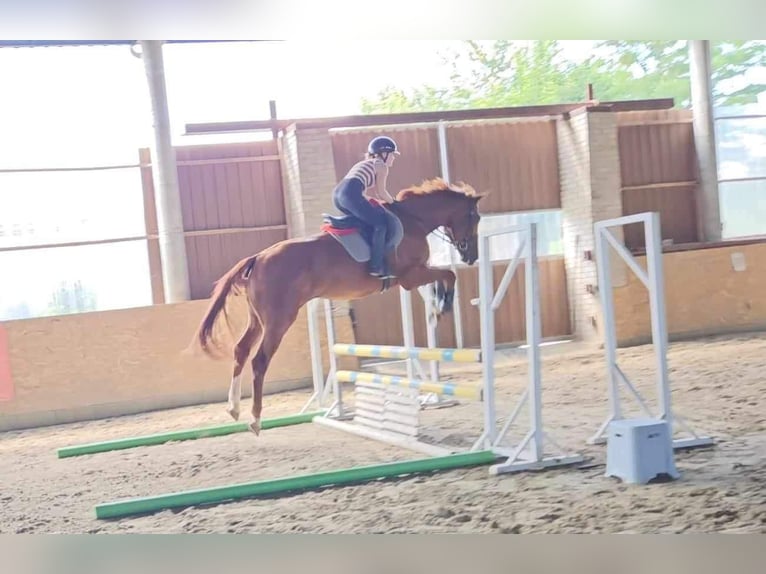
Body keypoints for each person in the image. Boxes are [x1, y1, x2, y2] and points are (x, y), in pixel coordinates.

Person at [332, 135, 400, 277]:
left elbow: (363, 193)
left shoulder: (364, 164)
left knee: (368, 219)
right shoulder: (381, 166)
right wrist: (395, 203)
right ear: (383, 154)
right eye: (392, 154)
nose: (393, 158)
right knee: (380, 224)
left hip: (339, 196)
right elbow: (381, 192)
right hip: (350, 195)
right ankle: (376, 266)